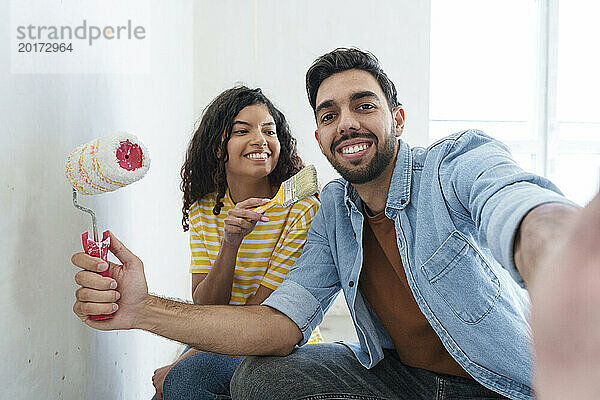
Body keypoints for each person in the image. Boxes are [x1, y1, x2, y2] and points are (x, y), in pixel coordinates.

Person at [70, 48, 599, 400]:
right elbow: (279, 326)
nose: (346, 121)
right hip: (401, 381)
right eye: (328, 114)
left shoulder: (454, 165)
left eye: (363, 105)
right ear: (321, 139)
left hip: (496, 385)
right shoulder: (333, 213)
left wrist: (559, 256)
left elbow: (515, 202)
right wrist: (140, 309)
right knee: (258, 380)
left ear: (398, 117)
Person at [148, 86, 322, 399]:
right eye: (242, 130)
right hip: (221, 329)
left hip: (275, 337)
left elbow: (264, 311)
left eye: (269, 130)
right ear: (218, 148)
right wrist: (231, 242)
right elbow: (205, 306)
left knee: (182, 380)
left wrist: (182, 361)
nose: (261, 140)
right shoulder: (204, 208)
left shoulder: (300, 209)